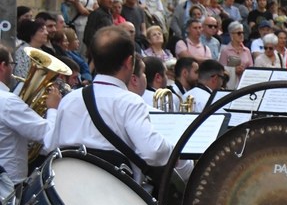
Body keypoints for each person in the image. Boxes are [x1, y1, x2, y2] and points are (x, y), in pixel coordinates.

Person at [49, 26, 192, 184]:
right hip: (114, 196)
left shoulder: (70, 99)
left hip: (69, 189)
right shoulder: (130, 102)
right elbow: (153, 151)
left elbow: (52, 145)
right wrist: (174, 152)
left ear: (94, 61)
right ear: (130, 62)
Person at [0, 46, 60, 193]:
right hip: (9, 184)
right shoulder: (8, 102)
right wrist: (53, 108)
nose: (13, 70)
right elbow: (50, 138)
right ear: (2, 66)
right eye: (12, 64)